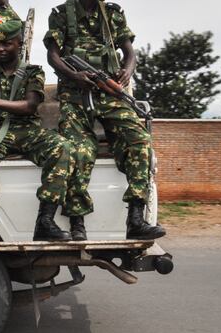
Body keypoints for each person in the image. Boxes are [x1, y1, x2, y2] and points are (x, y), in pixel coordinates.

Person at [44, 0, 166, 240]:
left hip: (109, 92)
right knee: (79, 149)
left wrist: (127, 71)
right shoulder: (61, 13)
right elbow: (53, 56)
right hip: (76, 94)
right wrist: (74, 75)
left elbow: (129, 51)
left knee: (139, 140)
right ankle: (77, 222)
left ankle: (136, 219)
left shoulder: (112, 12)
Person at [0, 20, 74, 245]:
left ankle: (45, 221)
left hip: (27, 130)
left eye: (7, 44)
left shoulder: (33, 72)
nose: (0, 49)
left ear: (19, 43)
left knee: (62, 147)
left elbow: (30, 106)